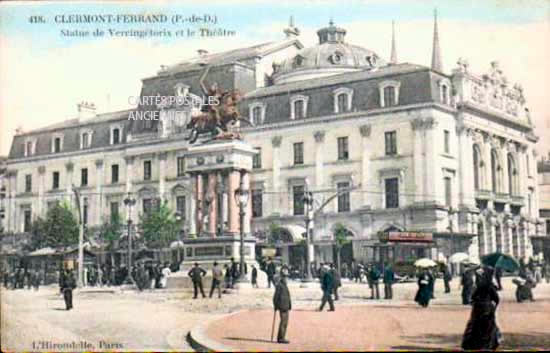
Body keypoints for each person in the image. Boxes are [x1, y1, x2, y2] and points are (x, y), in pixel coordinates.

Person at [461, 266, 501, 351]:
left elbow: (473, 297)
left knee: (476, 326)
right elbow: (496, 299)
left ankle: (474, 343)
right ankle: (488, 343)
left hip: (478, 309)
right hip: (487, 309)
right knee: (488, 327)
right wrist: (494, 307)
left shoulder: (480, 285)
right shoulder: (490, 286)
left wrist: (474, 303)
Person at [273, 271, 292, 344]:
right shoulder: (280, 285)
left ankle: (282, 337)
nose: (287, 278)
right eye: (285, 277)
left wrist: (289, 305)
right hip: (282, 306)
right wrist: (276, 306)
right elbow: (275, 297)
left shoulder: (284, 285)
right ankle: (281, 338)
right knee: (283, 322)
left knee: (285, 323)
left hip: (286, 306)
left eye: (287, 277)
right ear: (283, 277)